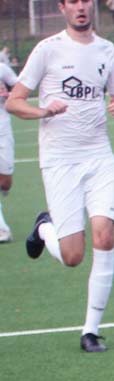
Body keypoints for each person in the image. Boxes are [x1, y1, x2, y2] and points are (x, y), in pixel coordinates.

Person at [6, 0, 114, 353]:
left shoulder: (109, 50)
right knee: (72, 256)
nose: (81, 7)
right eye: (73, 1)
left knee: (105, 236)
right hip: (60, 161)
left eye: (85, 0)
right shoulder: (47, 50)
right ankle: (44, 227)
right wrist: (44, 110)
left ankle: (91, 331)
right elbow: (14, 102)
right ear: (62, 7)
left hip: (99, 158)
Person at [0, 60, 19, 243]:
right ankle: (1, 229)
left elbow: (19, 88)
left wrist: (8, 95)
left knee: (5, 182)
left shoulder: (1, 68)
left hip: (2, 128)